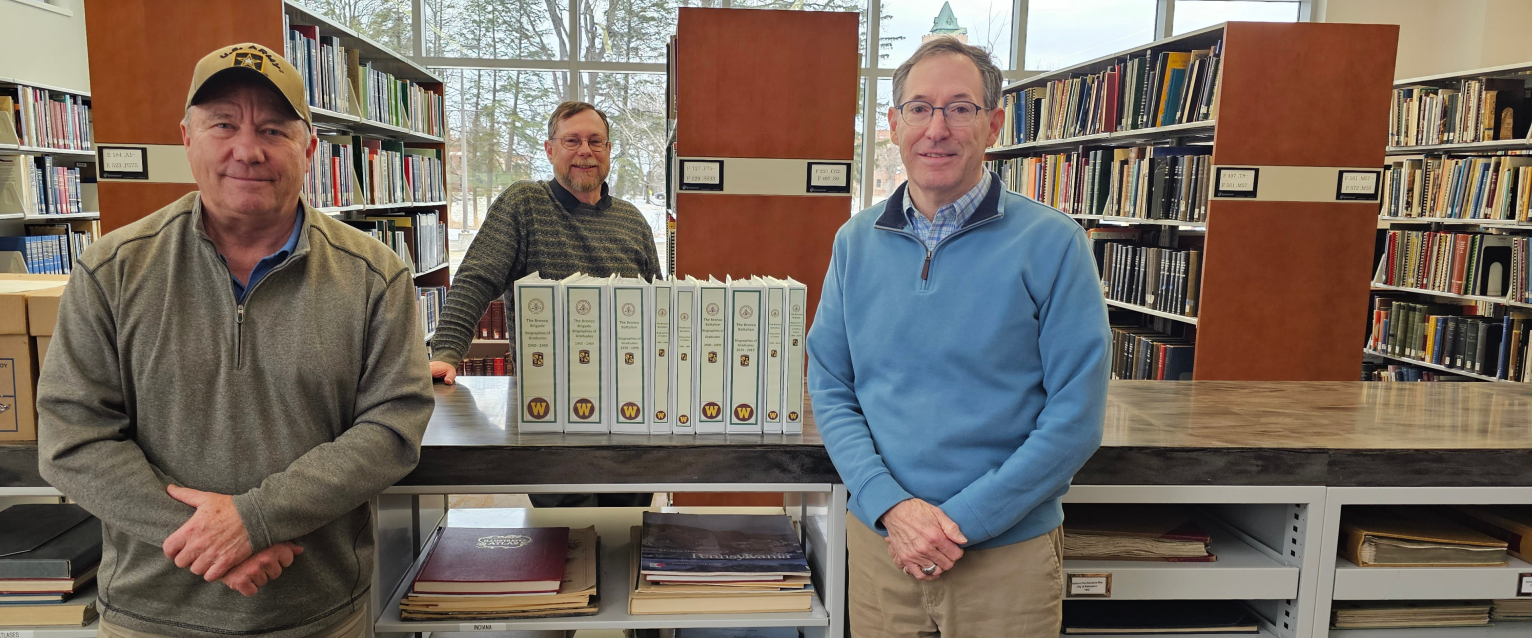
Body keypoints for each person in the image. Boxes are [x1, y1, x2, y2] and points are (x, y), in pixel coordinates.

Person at [36, 44, 434, 638]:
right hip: (150, 616)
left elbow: (392, 428)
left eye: (273, 129)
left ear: (308, 149)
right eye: (223, 124)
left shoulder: (376, 276)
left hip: (318, 615)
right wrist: (214, 539)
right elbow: (73, 436)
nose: (247, 150)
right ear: (187, 138)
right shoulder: (112, 270)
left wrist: (256, 519)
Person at [806, 37, 1110, 637]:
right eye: (919, 108)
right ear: (893, 125)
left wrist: (957, 522)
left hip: (1006, 559)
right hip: (882, 547)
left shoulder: (1054, 244)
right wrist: (891, 507)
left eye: (960, 107)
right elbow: (832, 386)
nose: (936, 128)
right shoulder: (855, 243)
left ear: (993, 124)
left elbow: (1076, 417)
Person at [426, 101, 660, 508]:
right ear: (551, 150)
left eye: (595, 141)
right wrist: (446, 351)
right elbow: (476, 278)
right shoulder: (524, 204)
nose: (585, 151)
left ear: (608, 151)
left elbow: (660, 306)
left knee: (627, 526)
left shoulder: (632, 220)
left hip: (628, 408)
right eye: (572, 140)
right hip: (549, 410)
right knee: (563, 535)